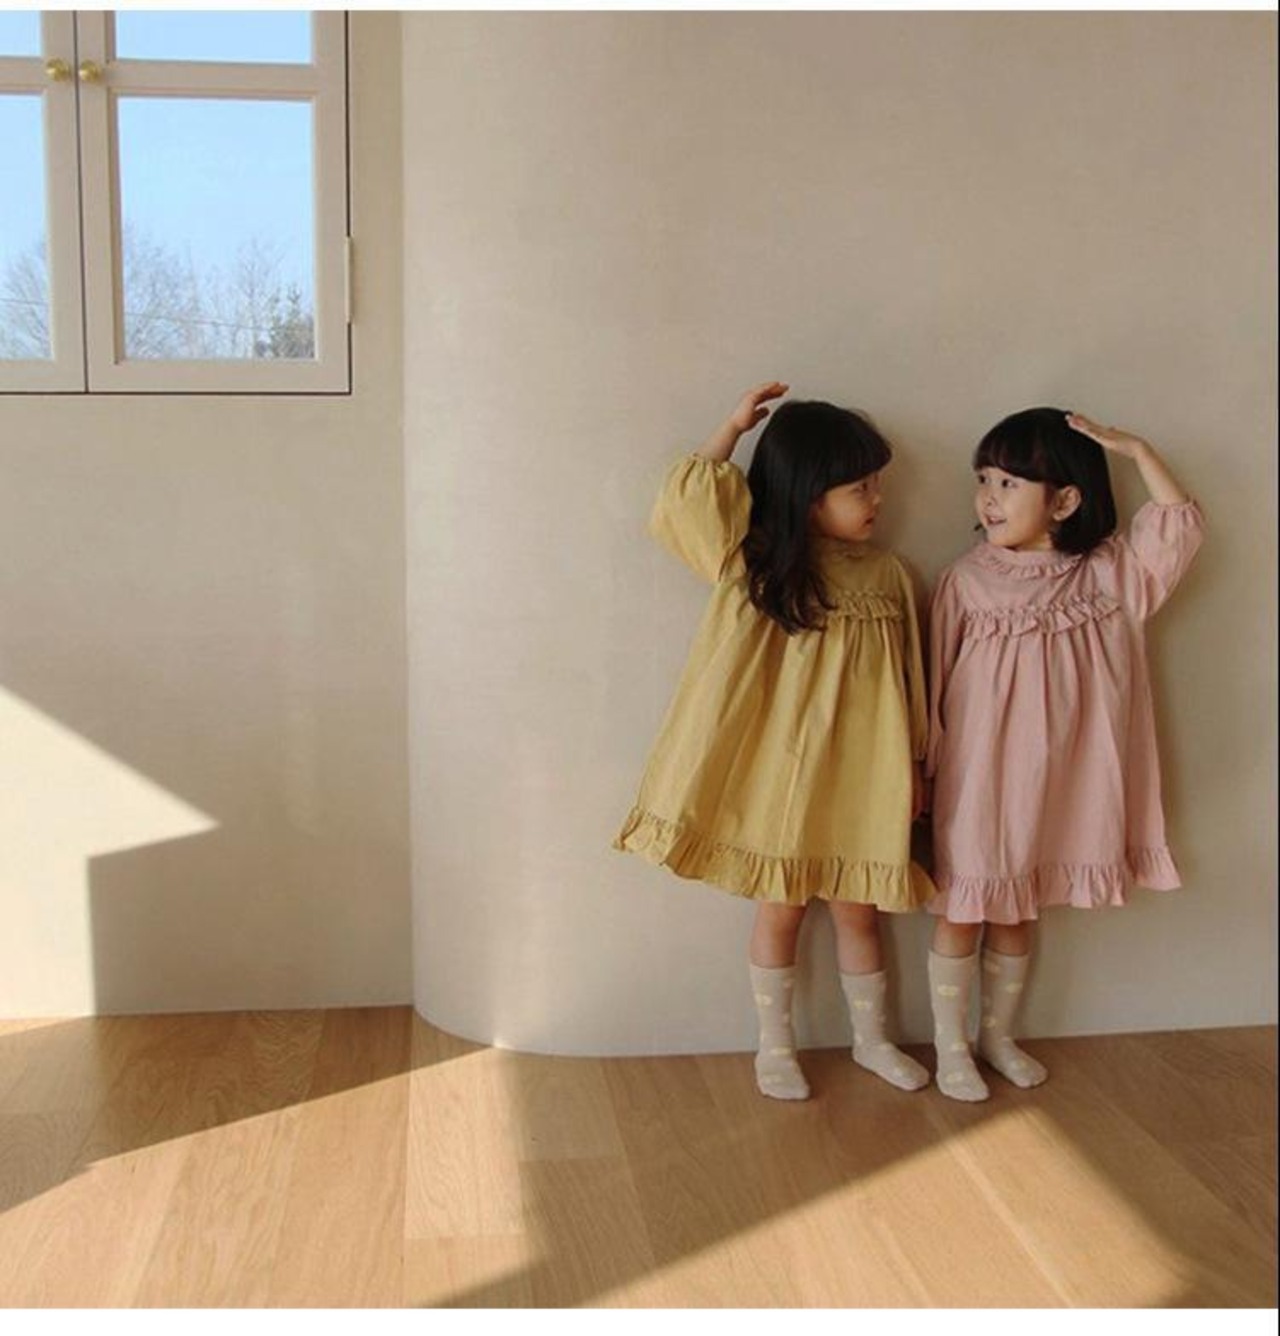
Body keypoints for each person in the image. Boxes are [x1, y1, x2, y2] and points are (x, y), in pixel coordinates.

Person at [614, 382, 934, 1100]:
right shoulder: (752, 565)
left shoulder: (888, 576)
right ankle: (775, 1046)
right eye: (859, 487)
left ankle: (873, 1041)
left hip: (861, 777)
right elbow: (685, 503)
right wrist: (732, 428)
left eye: (876, 483)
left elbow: (911, 681)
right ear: (810, 496)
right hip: (776, 780)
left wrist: (916, 766)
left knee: (858, 911)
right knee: (780, 909)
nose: (877, 499)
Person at [925, 407, 1204, 1102]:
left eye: (1009, 483)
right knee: (963, 908)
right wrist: (921, 769)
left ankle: (997, 1037)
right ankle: (950, 1048)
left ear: (1065, 500)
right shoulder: (966, 580)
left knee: (1019, 910)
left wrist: (1138, 450)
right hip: (978, 781)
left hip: (1062, 784)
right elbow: (931, 684)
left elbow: (1178, 527)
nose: (989, 497)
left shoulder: (1109, 575)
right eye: (983, 479)